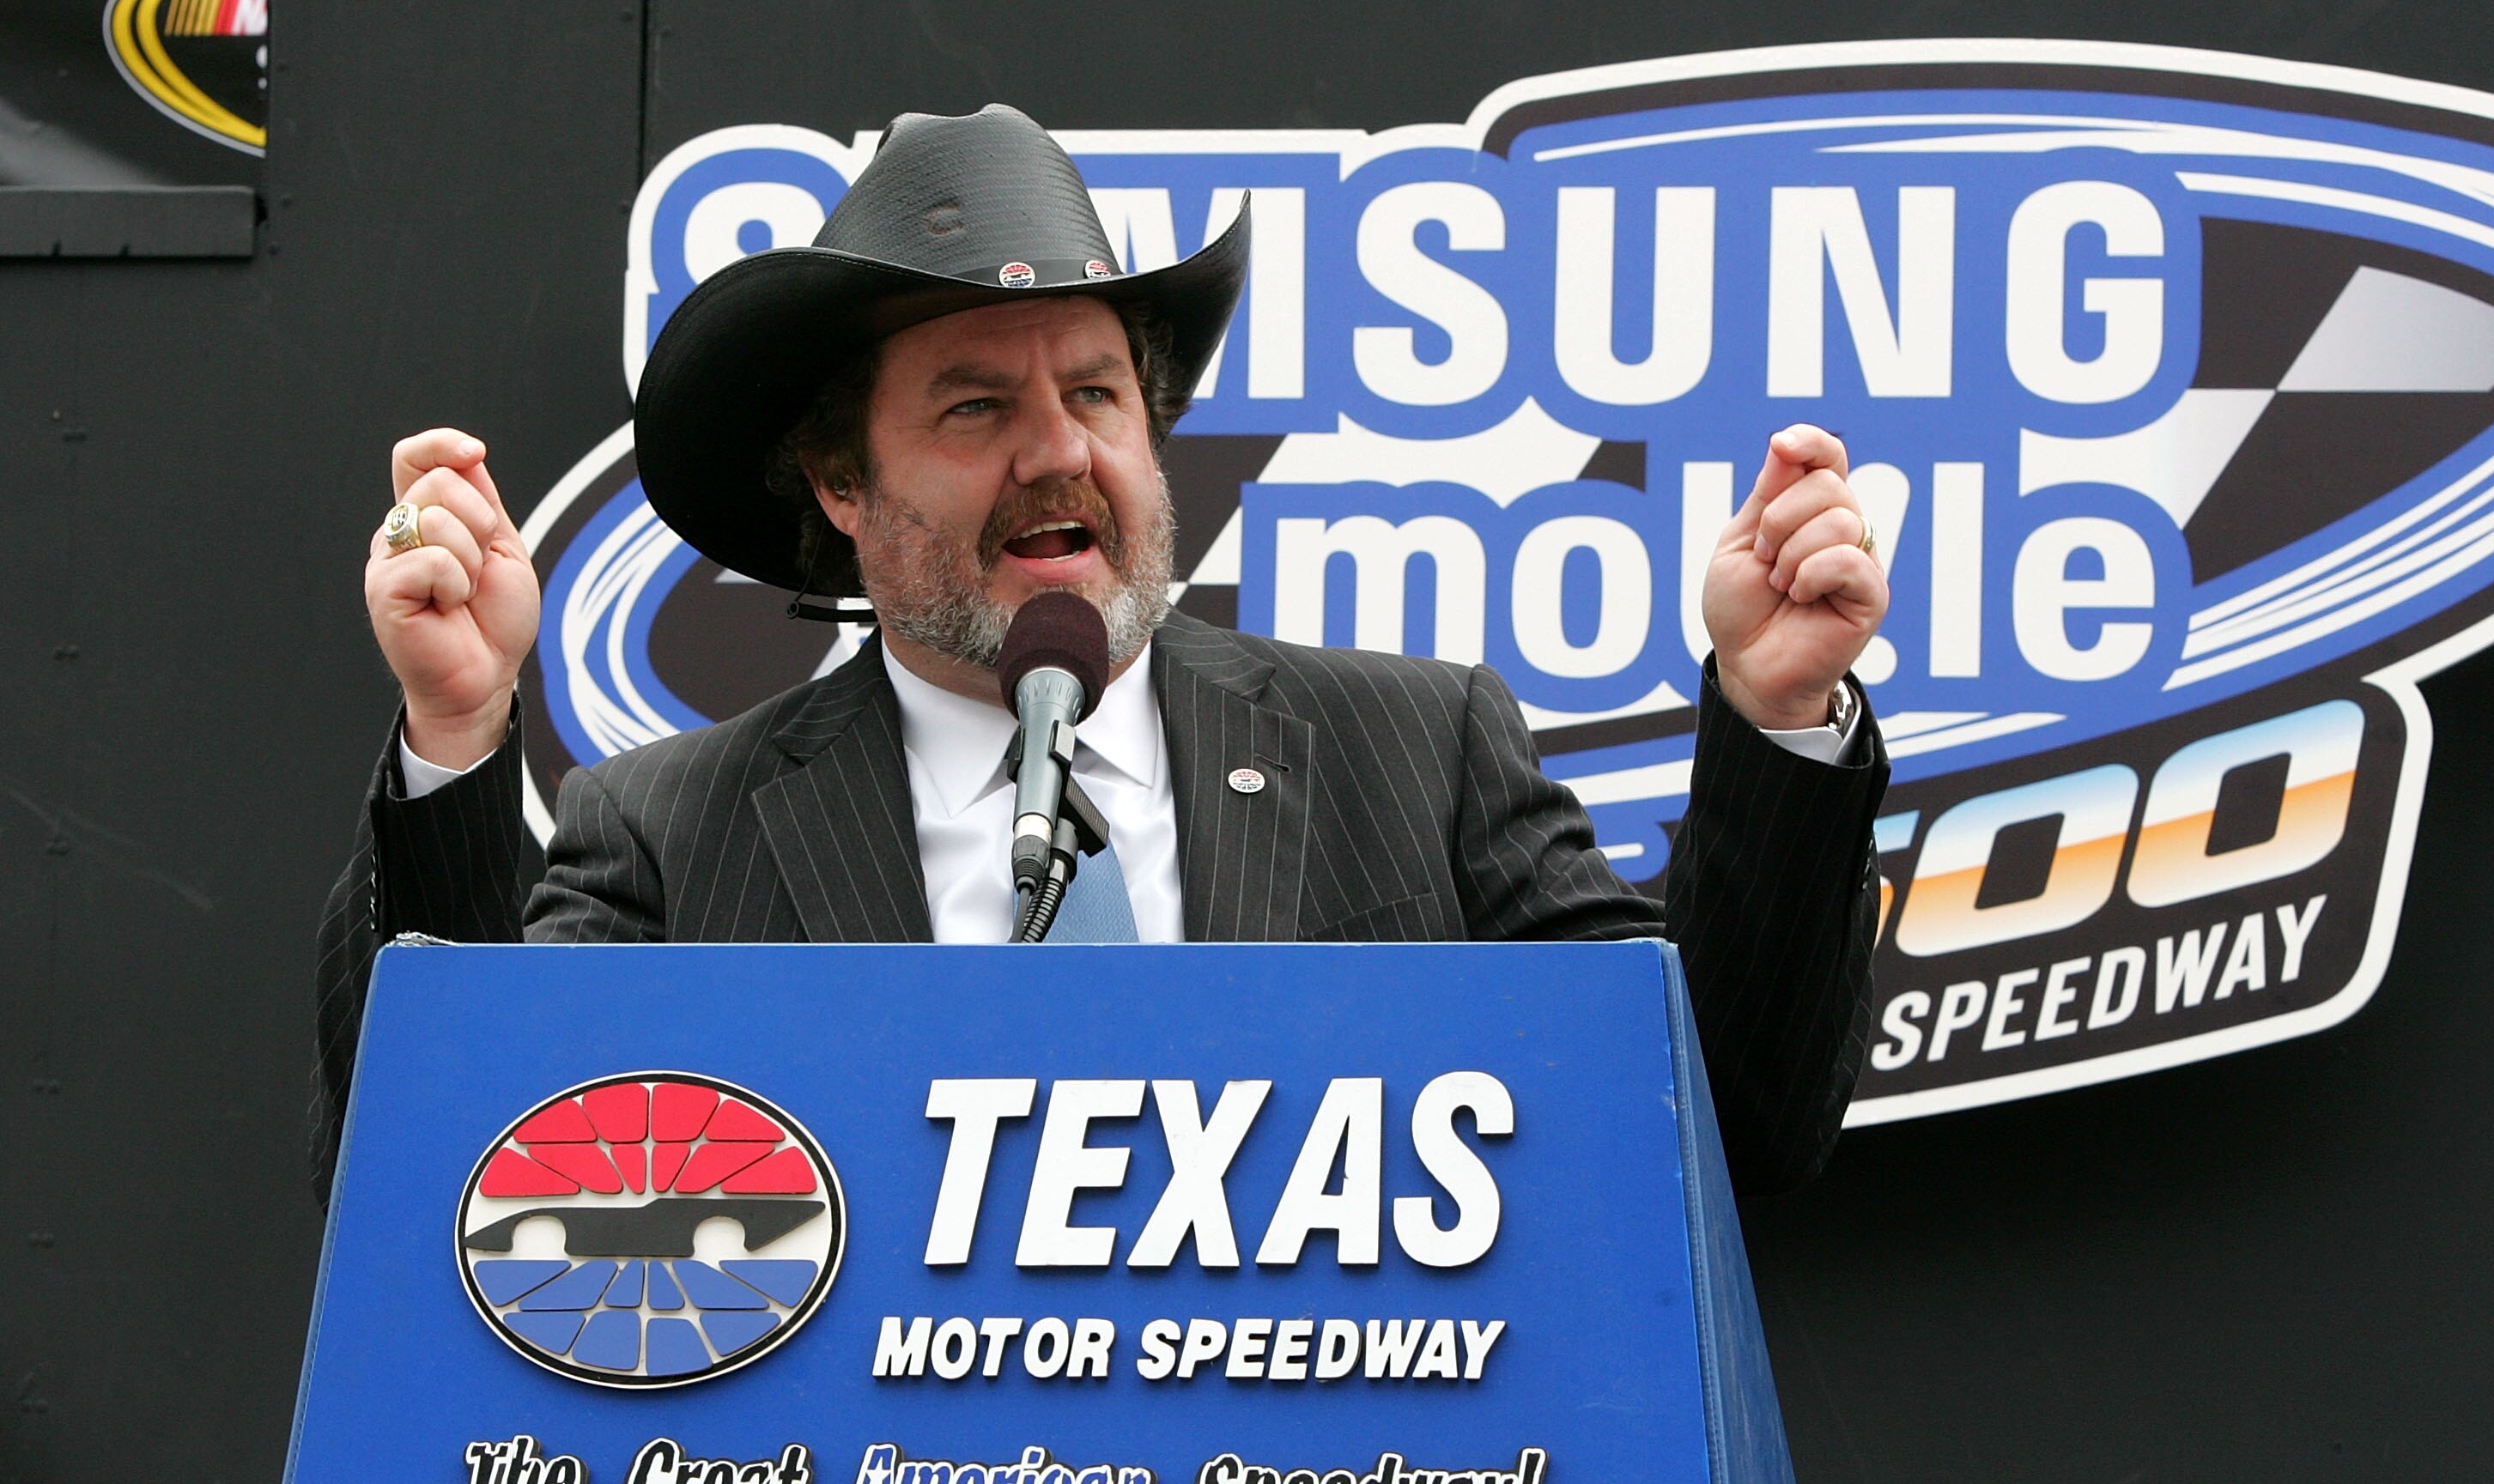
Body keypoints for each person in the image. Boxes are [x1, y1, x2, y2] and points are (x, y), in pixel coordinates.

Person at [313, 105, 1890, 1201]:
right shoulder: (668, 834)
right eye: (977, 407)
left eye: (1099, 392)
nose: (1061, 451)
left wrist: (1773, 714)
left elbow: (1720, 1132)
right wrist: (459, 730)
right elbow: (451, 1179)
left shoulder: (1419, 752)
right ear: (843, 486)